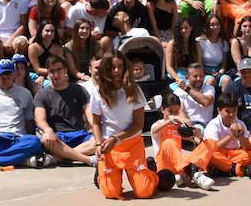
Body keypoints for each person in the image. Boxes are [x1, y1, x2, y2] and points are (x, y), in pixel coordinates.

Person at [89, 51, 160, 197]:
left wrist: (116, 139)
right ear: (105, 68)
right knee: (110, 193)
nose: (116, 71)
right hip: (108, 146)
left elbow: (138, 124)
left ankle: (149, 168)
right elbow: (96, 122)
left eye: (120, 66)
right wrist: (97, 144)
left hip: (131, 145)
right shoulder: (97, 92)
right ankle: (103, 173)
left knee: (144, 192)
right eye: (112, 67)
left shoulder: (134, 90)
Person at [33, 55, 97, 166]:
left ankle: (61, 158)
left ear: (66, 70)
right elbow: (40, 119)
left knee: (99, 140)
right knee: (45, 140)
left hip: (79, 135)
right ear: (48, 73)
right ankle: (88, 159)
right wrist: (48, 130)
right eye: (52, 71)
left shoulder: (79, 89)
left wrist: (97, 129)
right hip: (58, 137)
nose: (56, 74)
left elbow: (89, 113)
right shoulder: (42, 94)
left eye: (59, 70)